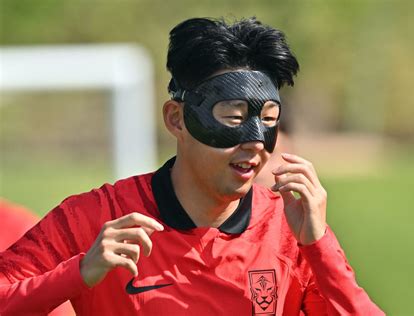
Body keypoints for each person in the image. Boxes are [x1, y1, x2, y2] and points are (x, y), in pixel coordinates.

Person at [0, 17, 384, 315]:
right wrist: (79, 274)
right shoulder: (97, 220)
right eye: (233, 117)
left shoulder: (290, 231)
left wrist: (318, 246)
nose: (254, 141)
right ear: (177, 119)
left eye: (268, 118)